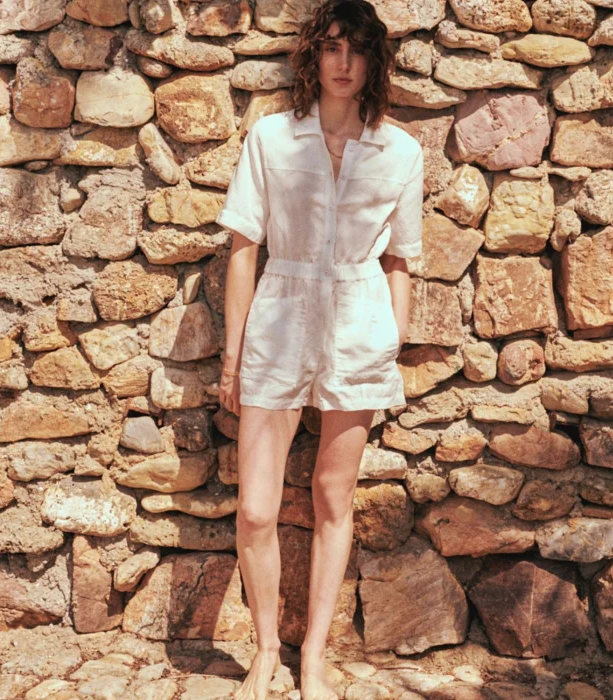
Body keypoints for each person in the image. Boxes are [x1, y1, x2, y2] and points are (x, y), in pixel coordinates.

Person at [216, 1, 424, 698]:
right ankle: (264, 650)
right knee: (256, 508)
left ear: (374, 61)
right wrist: (232, 357)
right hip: (278, 322)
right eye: (331, 47)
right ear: (313, 55)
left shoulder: (401, 152)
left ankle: (312, 657)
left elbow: (401, 258)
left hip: (359, 327)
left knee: (334, 498)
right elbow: (243, 249)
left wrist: (391, 339)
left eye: (357, 49)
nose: (343, 63)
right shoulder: (272, 138)